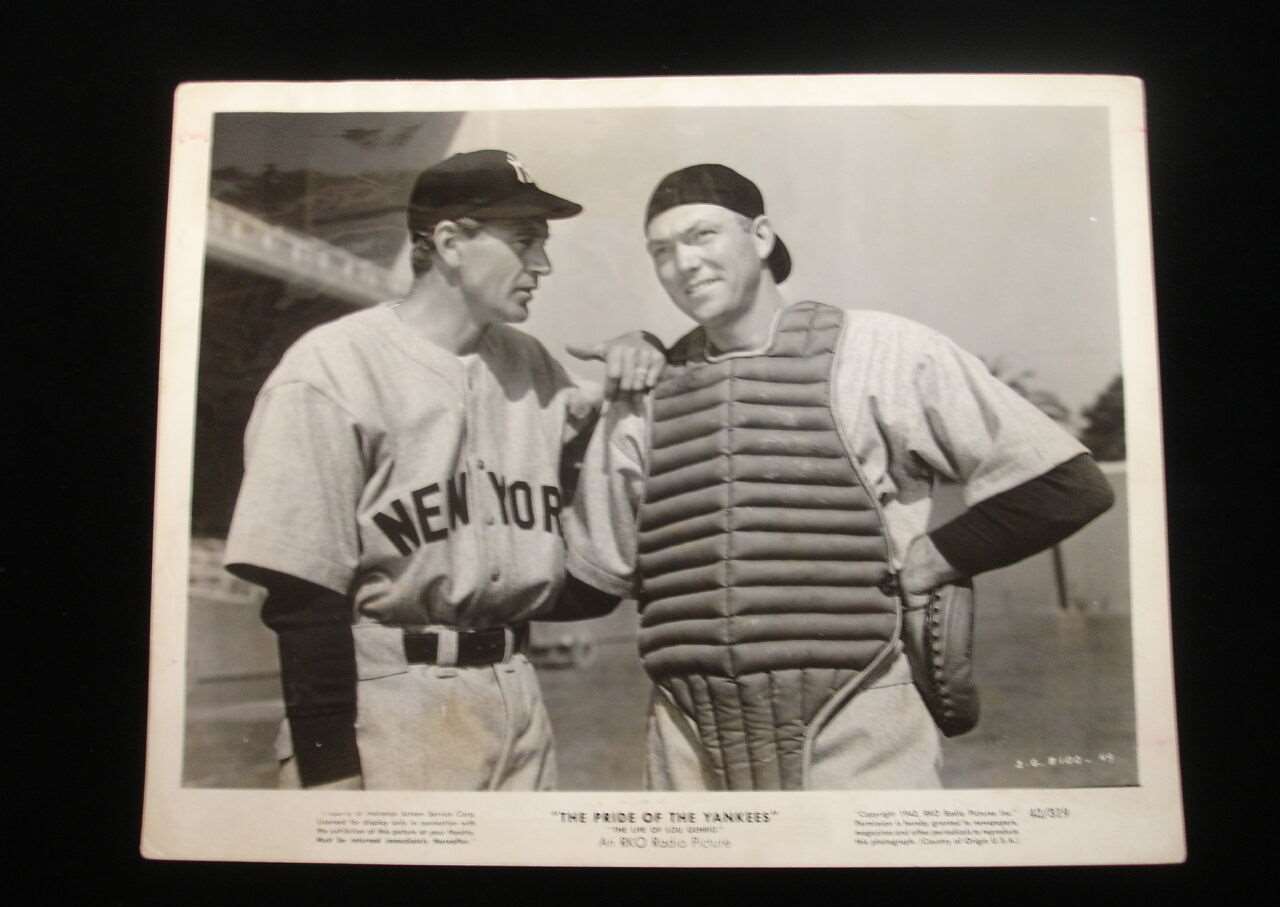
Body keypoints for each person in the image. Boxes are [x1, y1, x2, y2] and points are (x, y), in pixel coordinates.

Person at [564, 163, 1115, 790]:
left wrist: (936, 558)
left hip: (858, 709)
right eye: (661, 251)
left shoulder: (878, 350)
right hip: (688, 731)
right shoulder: (647, 392)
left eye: (702, 236)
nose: (683, 264)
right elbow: (591, 578)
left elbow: (1068, 486)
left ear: (762, 236)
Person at [224, 149, 663, 791]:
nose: (542, 263)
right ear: (451, 243)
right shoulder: (331, 369)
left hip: (517, 693)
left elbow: (610, 486)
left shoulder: (534, 368)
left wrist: (642, 350)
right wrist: (328, 770)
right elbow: (303, 599)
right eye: (524, 241)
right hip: (388, 702)